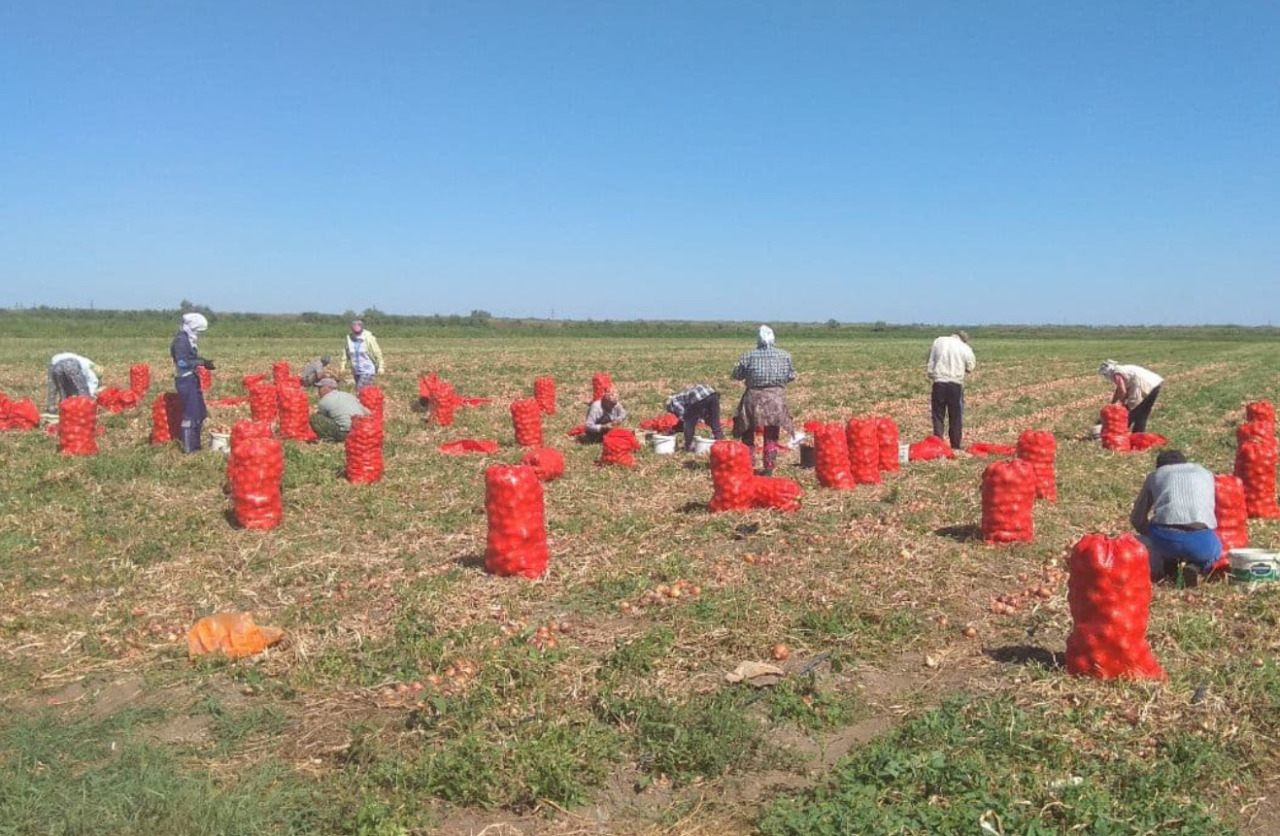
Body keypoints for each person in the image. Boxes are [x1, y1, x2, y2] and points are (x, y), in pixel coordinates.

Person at [1130, 449, 1220, 581]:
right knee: (1216, 548)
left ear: (1160, 467)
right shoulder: (1206, 474)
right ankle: (1195, 567)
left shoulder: (1155, 476)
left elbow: (1137, 519)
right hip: (1200, 540)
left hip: (1165, 538)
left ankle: (1169, 563)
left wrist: (1148, 533)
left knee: (1160, 545)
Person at [731, 325, 797, 475]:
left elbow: (737, 375)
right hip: (776, 399)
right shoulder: (785, 355)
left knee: (747, 432)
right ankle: (768, 469)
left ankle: (748, 467)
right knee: (772, 433)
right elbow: (792, 375)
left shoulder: (748, 355)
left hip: (753, 398)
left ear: (758, 340)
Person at [170, 312, 214, 453]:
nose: (198, 334)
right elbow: (182, 363)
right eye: (197, 331)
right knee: (191, 414)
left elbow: (190, 358)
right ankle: (189, 448)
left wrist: (204, 361)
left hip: (192, 378)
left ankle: (196, 445)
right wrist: (201, 362)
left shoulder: (188, 339)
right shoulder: (180, 341)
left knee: (200, 412)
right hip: (185, 380)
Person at [927, 330, 976, 450]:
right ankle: (955, 446)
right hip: (955, 385)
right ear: (963, 339)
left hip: (938, 383)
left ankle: (938, 445)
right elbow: (970, 366)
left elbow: (931, 361)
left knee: (938, 415)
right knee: (955, 417)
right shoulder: (965, 347)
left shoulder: (938, 341)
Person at [1099, 360, 1163, 433]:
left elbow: (1122, 391)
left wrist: (1121, 404)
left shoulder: (1116, 374)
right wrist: (1113, 403)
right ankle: (1138, 434)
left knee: (1131, 410)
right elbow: (1119, 389)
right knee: (1143, 413)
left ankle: (1119, 432)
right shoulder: (1123, 369)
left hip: (1143, 385)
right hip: (1155, 385)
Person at [665, 384, 725, 452]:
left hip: (699, 396)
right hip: (713, 395)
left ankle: (688, 446)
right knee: (714, 421)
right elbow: (694, 415)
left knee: (689, 423)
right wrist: (676, 429)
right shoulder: (685, 399)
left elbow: (685, 418)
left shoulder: (673, 403)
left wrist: (675, 429)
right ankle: (721, 444)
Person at [340, 320, 384, 392]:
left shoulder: (369, 338)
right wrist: (342, 366)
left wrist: (381, 366)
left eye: (358, 332)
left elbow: (377, 353)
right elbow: (345, 353)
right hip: (356, 370)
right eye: (355, 332)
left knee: (360, 390)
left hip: (368, 369)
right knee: (363, 391)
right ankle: (366, 402)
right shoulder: (349, 339)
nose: (356, 334)